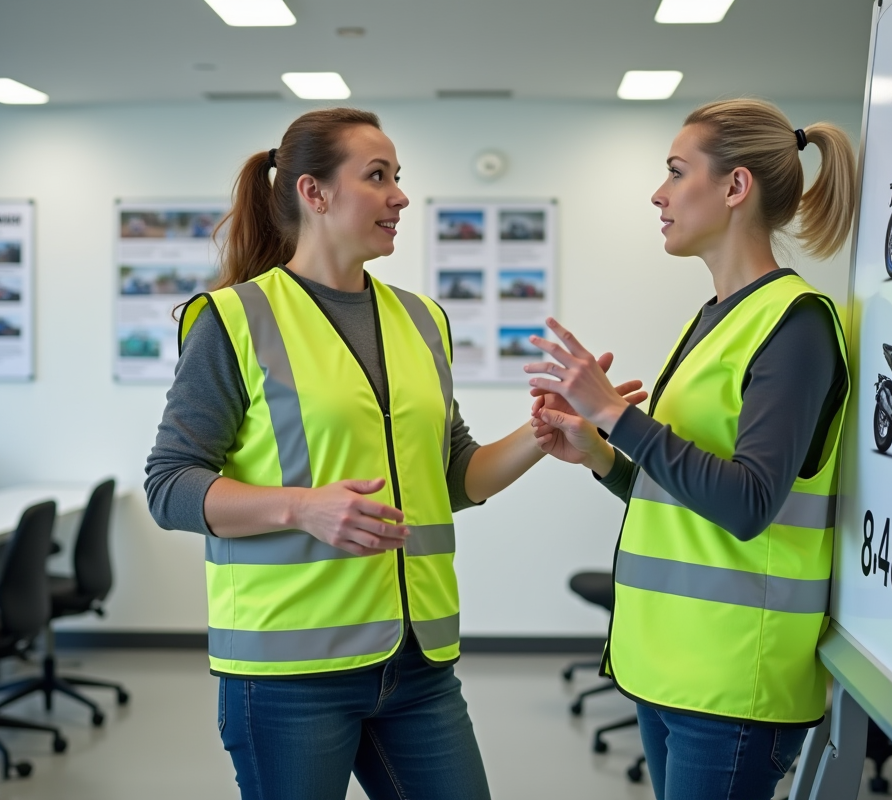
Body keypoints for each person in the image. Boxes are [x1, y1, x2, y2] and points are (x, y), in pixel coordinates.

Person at [144, 108, 641, 800]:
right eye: (377, 177)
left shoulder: (423, 319)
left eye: (398, 177)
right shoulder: (233, 318)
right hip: (289, 672)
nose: (400, 196)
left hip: (417, 665)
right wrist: (302, 508)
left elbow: (453, 477)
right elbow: (169, 485)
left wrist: (542, 433)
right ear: (314, 193)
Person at [525, 99, 856, 800]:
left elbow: (747, 503)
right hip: (665, 665)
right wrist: (600, 453)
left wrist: (615, 414)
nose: (659, 193)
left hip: (733, 678)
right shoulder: (710, 319)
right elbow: (680, 495)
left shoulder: (795, 325)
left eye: (676, 172)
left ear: (735, 187)